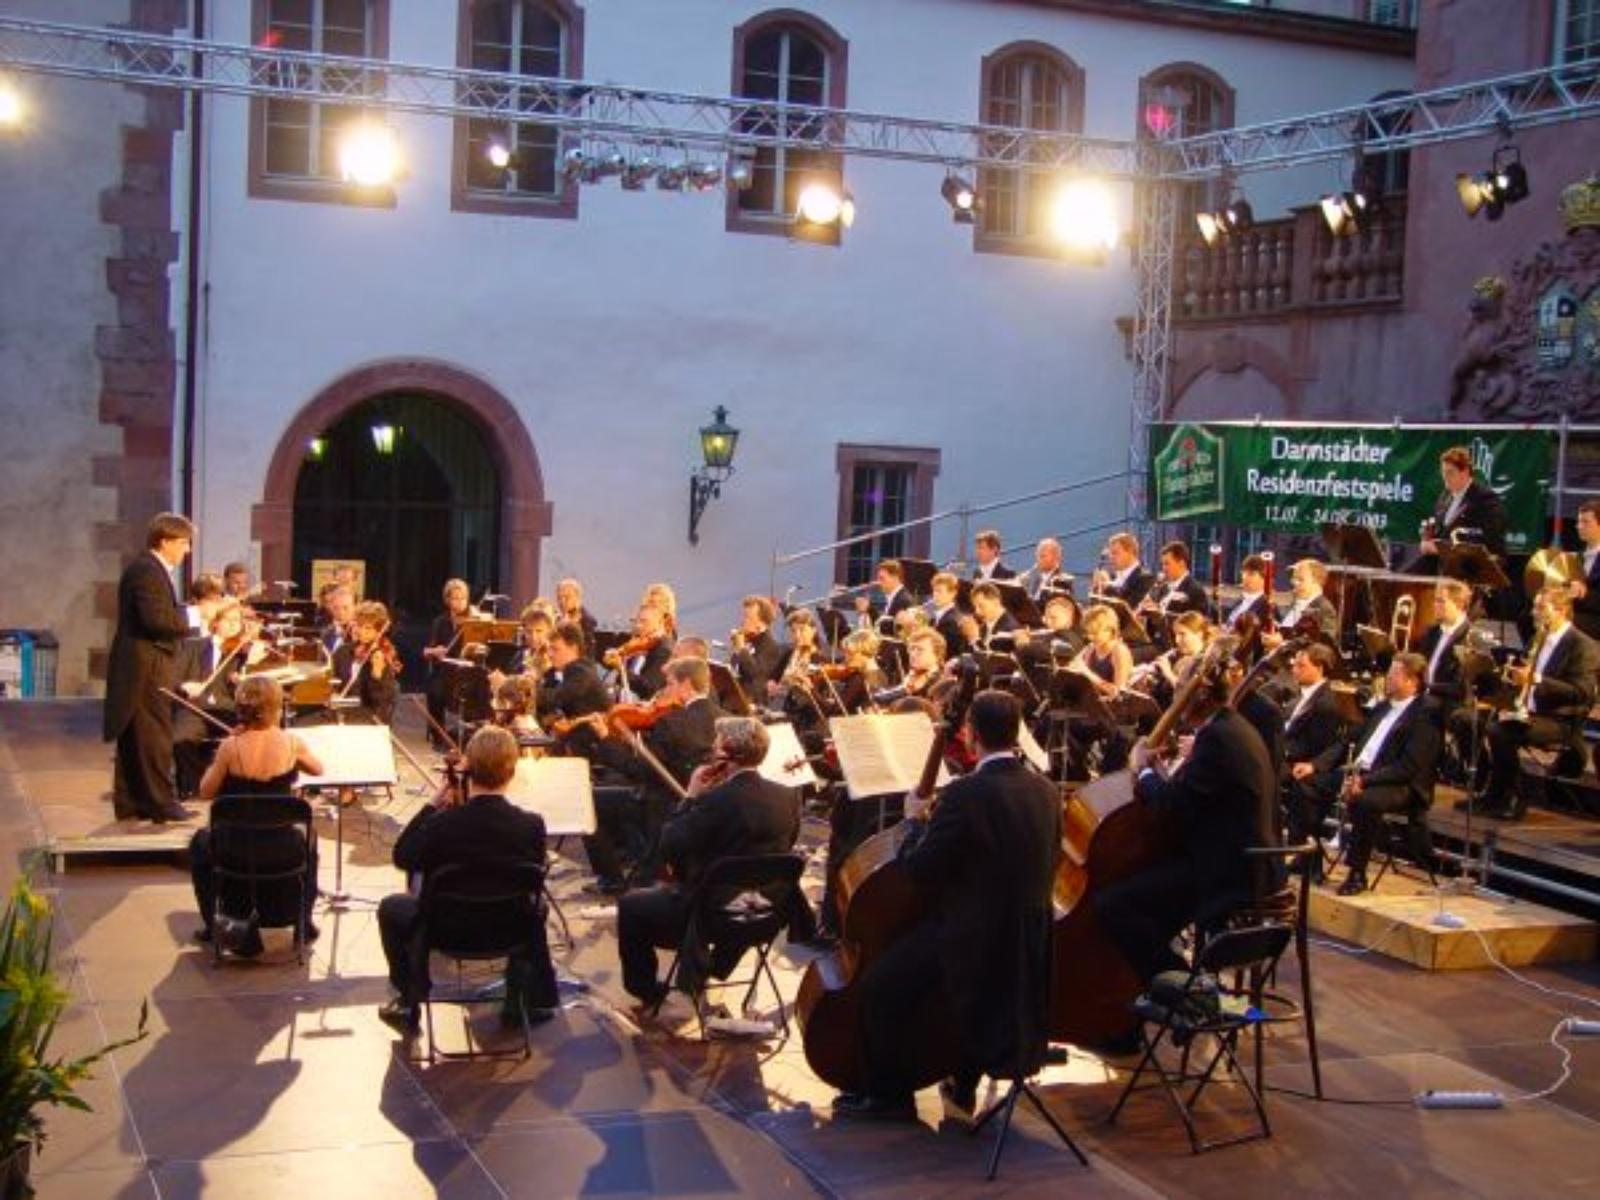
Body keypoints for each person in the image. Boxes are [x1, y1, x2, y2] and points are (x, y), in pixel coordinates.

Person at [833, 691, 1060, 1121]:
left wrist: (915, 820)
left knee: (880, 986)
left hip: (970, 935)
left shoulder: (965, 794)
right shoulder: (1046, 790)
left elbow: (921, 869)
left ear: (971, 734)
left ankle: (889, 1097)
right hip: (1026, 940)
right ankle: (962, 1077)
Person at [1093, 667, 1280, 1015]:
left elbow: (1172, 805)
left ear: (1199, 697)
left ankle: (1201, 1000)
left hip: (1228, 872)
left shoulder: (1217, 738)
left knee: (1114, 906)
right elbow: (1195, 795)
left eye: (1179, 693)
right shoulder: (1230, 727)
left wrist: (1143, 770)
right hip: (1235, 861)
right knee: (1147, 917)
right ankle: (1161, 1001)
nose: (1174, 703)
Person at [377, 725, 556, 1032]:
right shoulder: (531, 825)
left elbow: (402, 856)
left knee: (391, 908)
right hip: (508, 929)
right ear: (512, 771)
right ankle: (519, 1003)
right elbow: (531, 875)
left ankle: (409, 999)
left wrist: (431, 805)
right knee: (536, 908)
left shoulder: (442, 824)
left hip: (444, 931)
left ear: (469, 769)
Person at [617, 717, 802, 1007]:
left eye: (715, 746)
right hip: (765, 913)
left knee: (631, 905)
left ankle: (647, 991)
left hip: (709, 916)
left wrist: (691, 796)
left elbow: (668, 846)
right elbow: (783, 850)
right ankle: (713, 967)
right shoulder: (788, 796)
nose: (711, 751)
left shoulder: (716, 800)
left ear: (727, 754)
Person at [189, 676, 324, 948]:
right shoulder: (292, 743)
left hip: (234, 850)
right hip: (283, 850)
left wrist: (226, 748)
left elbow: (205, 791)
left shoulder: (230, 746)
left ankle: (212, 925)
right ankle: (303, 923)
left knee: (199, 843)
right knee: (311, 841)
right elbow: (318, 769)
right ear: (277, 708)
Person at [103, 512, 198, 823]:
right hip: (145, 667)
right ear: (165, 541)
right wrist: (198, 616)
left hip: (144, 665)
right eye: (183, 543)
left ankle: (133, 803)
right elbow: (156, 620)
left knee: (137, 736)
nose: (187, 550)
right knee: (152, 735)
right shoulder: (147, 570)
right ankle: (161, 804)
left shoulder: (149, 569)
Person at [1476, 585, 1599, 821]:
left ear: (1561, 610)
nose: (1534, 612)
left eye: (1541, 608)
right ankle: (1490, 794)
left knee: (1500, 732)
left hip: (1559, 720)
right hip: (1527, 711)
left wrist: (1537, 679)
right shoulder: (1538, 637)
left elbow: (1581, 693)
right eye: (1535, 606)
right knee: (1474, 719)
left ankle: (1515, 798)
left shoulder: (1584, 646)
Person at [1336, 653, 1441, 895]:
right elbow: (1351, 740)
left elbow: (1407, 767)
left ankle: (1357, 873)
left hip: (1401, 784)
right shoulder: (1382, 707)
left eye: (1394, 674)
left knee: (1367, 801)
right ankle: (1308, 856)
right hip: (1364, 773)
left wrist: (1363, 781)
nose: (1387, 678)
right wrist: (1315, 766)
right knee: (1310, 782)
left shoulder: (1426, 714)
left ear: (1412, 681)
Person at [1281, 643, 1348, 855]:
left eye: (1301, 666)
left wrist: (1309, 764)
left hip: (1305, 763)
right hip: (1287, 757)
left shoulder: (1328, 702)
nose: (1294, 670)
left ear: (1319, 668)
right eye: (1294, 665)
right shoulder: (1300, 695)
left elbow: (1319, 745)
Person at [1418, 445, 1507, 560]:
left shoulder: (1485, 499)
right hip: (1444, 565)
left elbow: (1489, 538)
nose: (1445, 477)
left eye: (1450, 472)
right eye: (1443, 472)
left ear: (1465, 472)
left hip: (1473, 565)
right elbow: (1439, 531)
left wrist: (1441, 549)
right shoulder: (1444, 497)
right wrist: (1427, 539)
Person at [422, 578, 474, 743]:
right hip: (444, 671)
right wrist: (435, 651)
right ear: (448, 600)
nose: (460, 603)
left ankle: (471, 734)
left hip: (467, 671)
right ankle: (438, 734)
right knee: (435, 690)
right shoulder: (440, 622)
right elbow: (426, 651)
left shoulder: (473, 621)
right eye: (455, 598)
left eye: (463, 598)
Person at [331, 600, 399, 724]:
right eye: (359, 626)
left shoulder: (383, 655)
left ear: (379, 631)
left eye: (368, 628)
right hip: (341, 712)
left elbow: (382, 702)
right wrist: (332, 693)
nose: (361, 631)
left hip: (369, 717)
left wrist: (376, 675)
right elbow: (332, 681)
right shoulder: (343, 652)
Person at [1262, 559, 1339, 649]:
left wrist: (1282, 644)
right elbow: (1290, 632)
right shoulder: (1295, 602)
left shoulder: (1324, 609)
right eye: (1294, 578)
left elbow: (1323, 645)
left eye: (1300, 579)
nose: (1293, 582)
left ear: (1316, 582)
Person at [731, 594, 784, 700]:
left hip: (754, 701)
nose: (743, 622)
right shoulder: (748, 641)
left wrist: (741, 649)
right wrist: (736, 650)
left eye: (747, 617)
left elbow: (755, 675)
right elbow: (735, 669)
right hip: (736, 697)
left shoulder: (770, 646)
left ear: (760, 623)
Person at [1091, 532, 1155, 609]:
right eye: (1110, 554)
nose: (1111, 557)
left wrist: (1107, 587)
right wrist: (1097, 588)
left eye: (1115, 553)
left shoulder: (1145, 578)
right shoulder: (1112, 578)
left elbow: (1128, 607)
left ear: (1130, 551)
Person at [1569, 500, 1600, 642]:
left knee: (1559, 623)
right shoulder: (1579, 556)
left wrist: (1583, 593)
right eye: (1578, 521)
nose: (1579, 526)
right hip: (1579, 612)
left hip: (1595, 618)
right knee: (1528, 616)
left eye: (1585, 522)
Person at [928, 572, 969, 656]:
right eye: (934, 591)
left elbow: (948, 652)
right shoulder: (934, 617)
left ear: (953, 593)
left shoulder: (952, 621)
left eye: (939, 591)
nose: (935, 595)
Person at [970, 582, 1017, 652]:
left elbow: (989, 657)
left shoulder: (1009, 629)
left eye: (981, 606)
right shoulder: (984, 626)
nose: (977, 611)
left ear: (996, 602)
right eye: (975, 607)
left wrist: (975, 638)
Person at [555, 576, 598, 653]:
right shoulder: (557, 619)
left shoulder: (587, 621)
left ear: (578, 598)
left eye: (567, 597)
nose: (562, 601)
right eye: (559, 598)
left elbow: (587, 651)